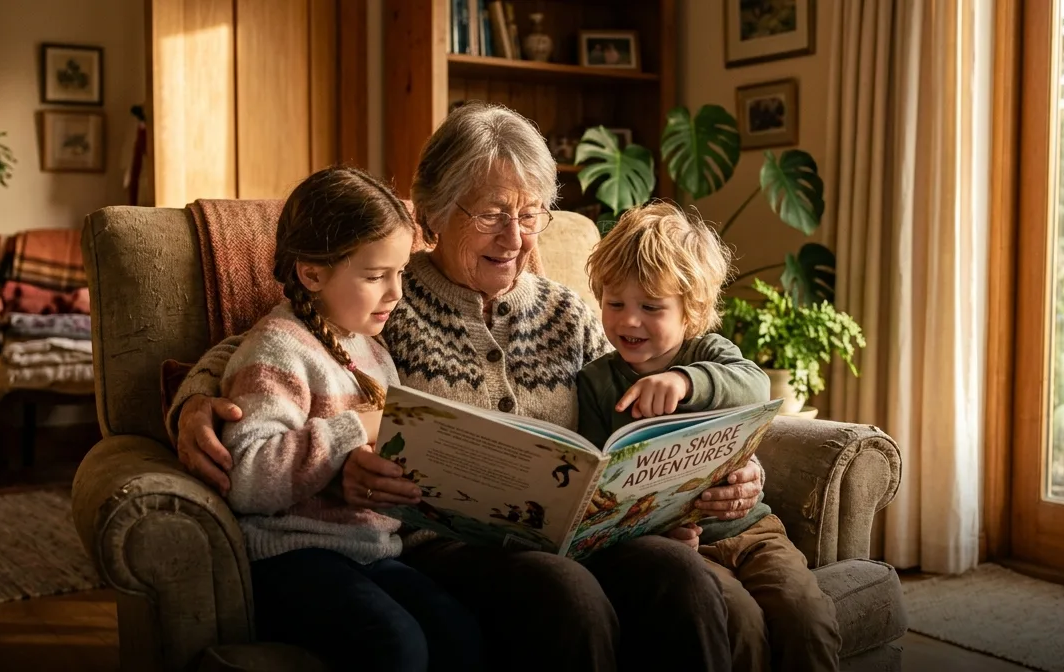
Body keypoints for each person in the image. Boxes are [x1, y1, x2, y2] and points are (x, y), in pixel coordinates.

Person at [168, 102, 769, 671]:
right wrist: (194, 401)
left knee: (680, 578)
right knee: (567, 595)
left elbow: (651, 393)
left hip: (572, 537)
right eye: (489, 214)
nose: (514, 237)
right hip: (448, 546)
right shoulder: (388, 299)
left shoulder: (571, 312)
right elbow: (280, 340)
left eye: (529, 213)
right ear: (431, 214)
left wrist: (725, 470)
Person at [216, 165, 481, 671]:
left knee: (459, 633)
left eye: (400, 272)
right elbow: (246, 477)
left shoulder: (373, 351)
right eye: (376, 275)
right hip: (292, 559)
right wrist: (356, 427)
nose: (396, 292)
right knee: (397, 643)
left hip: (373, 550)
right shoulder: (278, 348)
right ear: (312, 273)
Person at [578, 201, 842, 672]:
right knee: (738, 623)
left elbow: (756, 385)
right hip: (682, 546)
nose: (628, 321)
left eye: (651, 307)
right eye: (615, 304)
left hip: (753, 531)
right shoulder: (598, 382)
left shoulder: (709, 353)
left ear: (691, 312)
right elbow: (600, 484)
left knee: (806, 616)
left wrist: (684, 381)